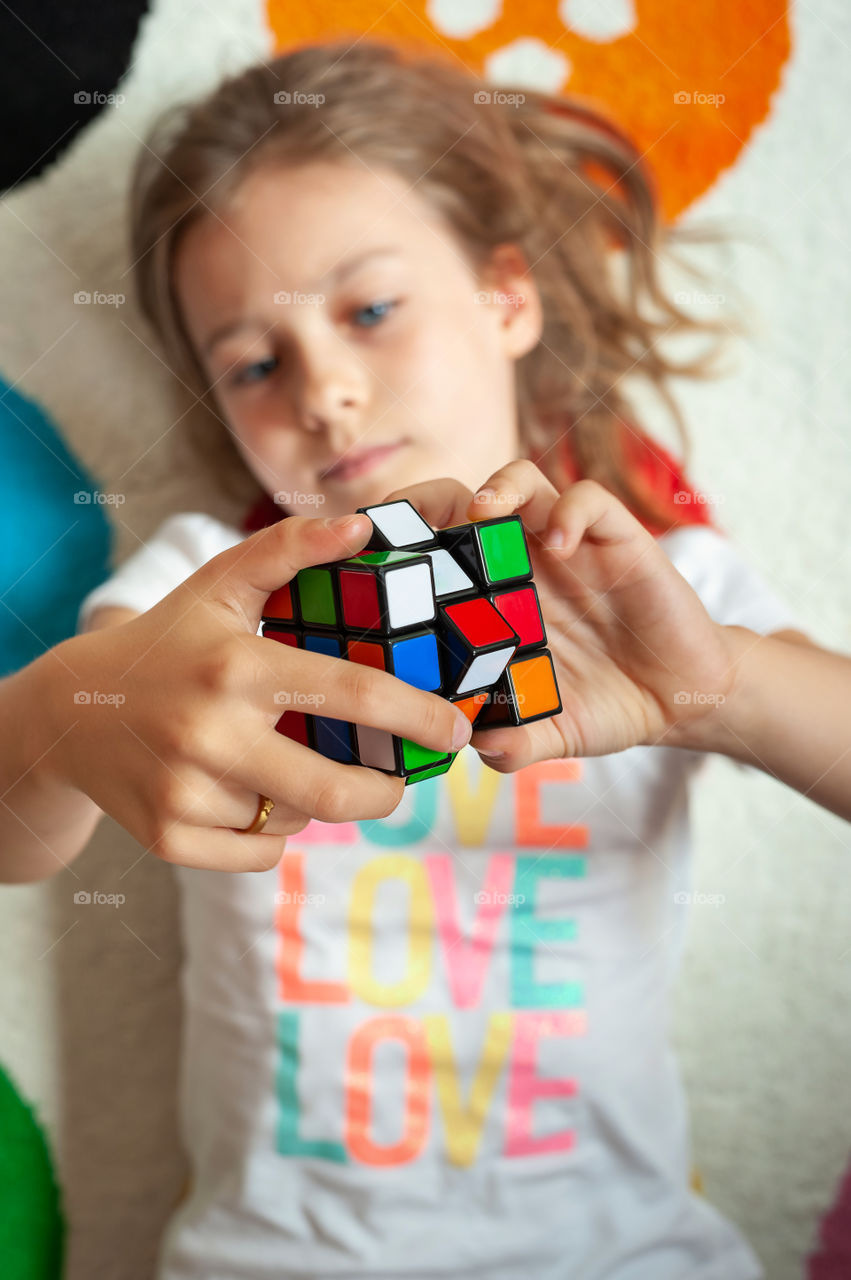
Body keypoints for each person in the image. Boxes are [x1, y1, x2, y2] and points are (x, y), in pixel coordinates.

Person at [2, 37, 849, 1280]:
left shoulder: (657, 589)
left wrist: (713, 688)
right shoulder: (196, 587)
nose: (327, 391)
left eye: (370, 309)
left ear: (507, 297)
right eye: (252, 361)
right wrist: (65, 716)